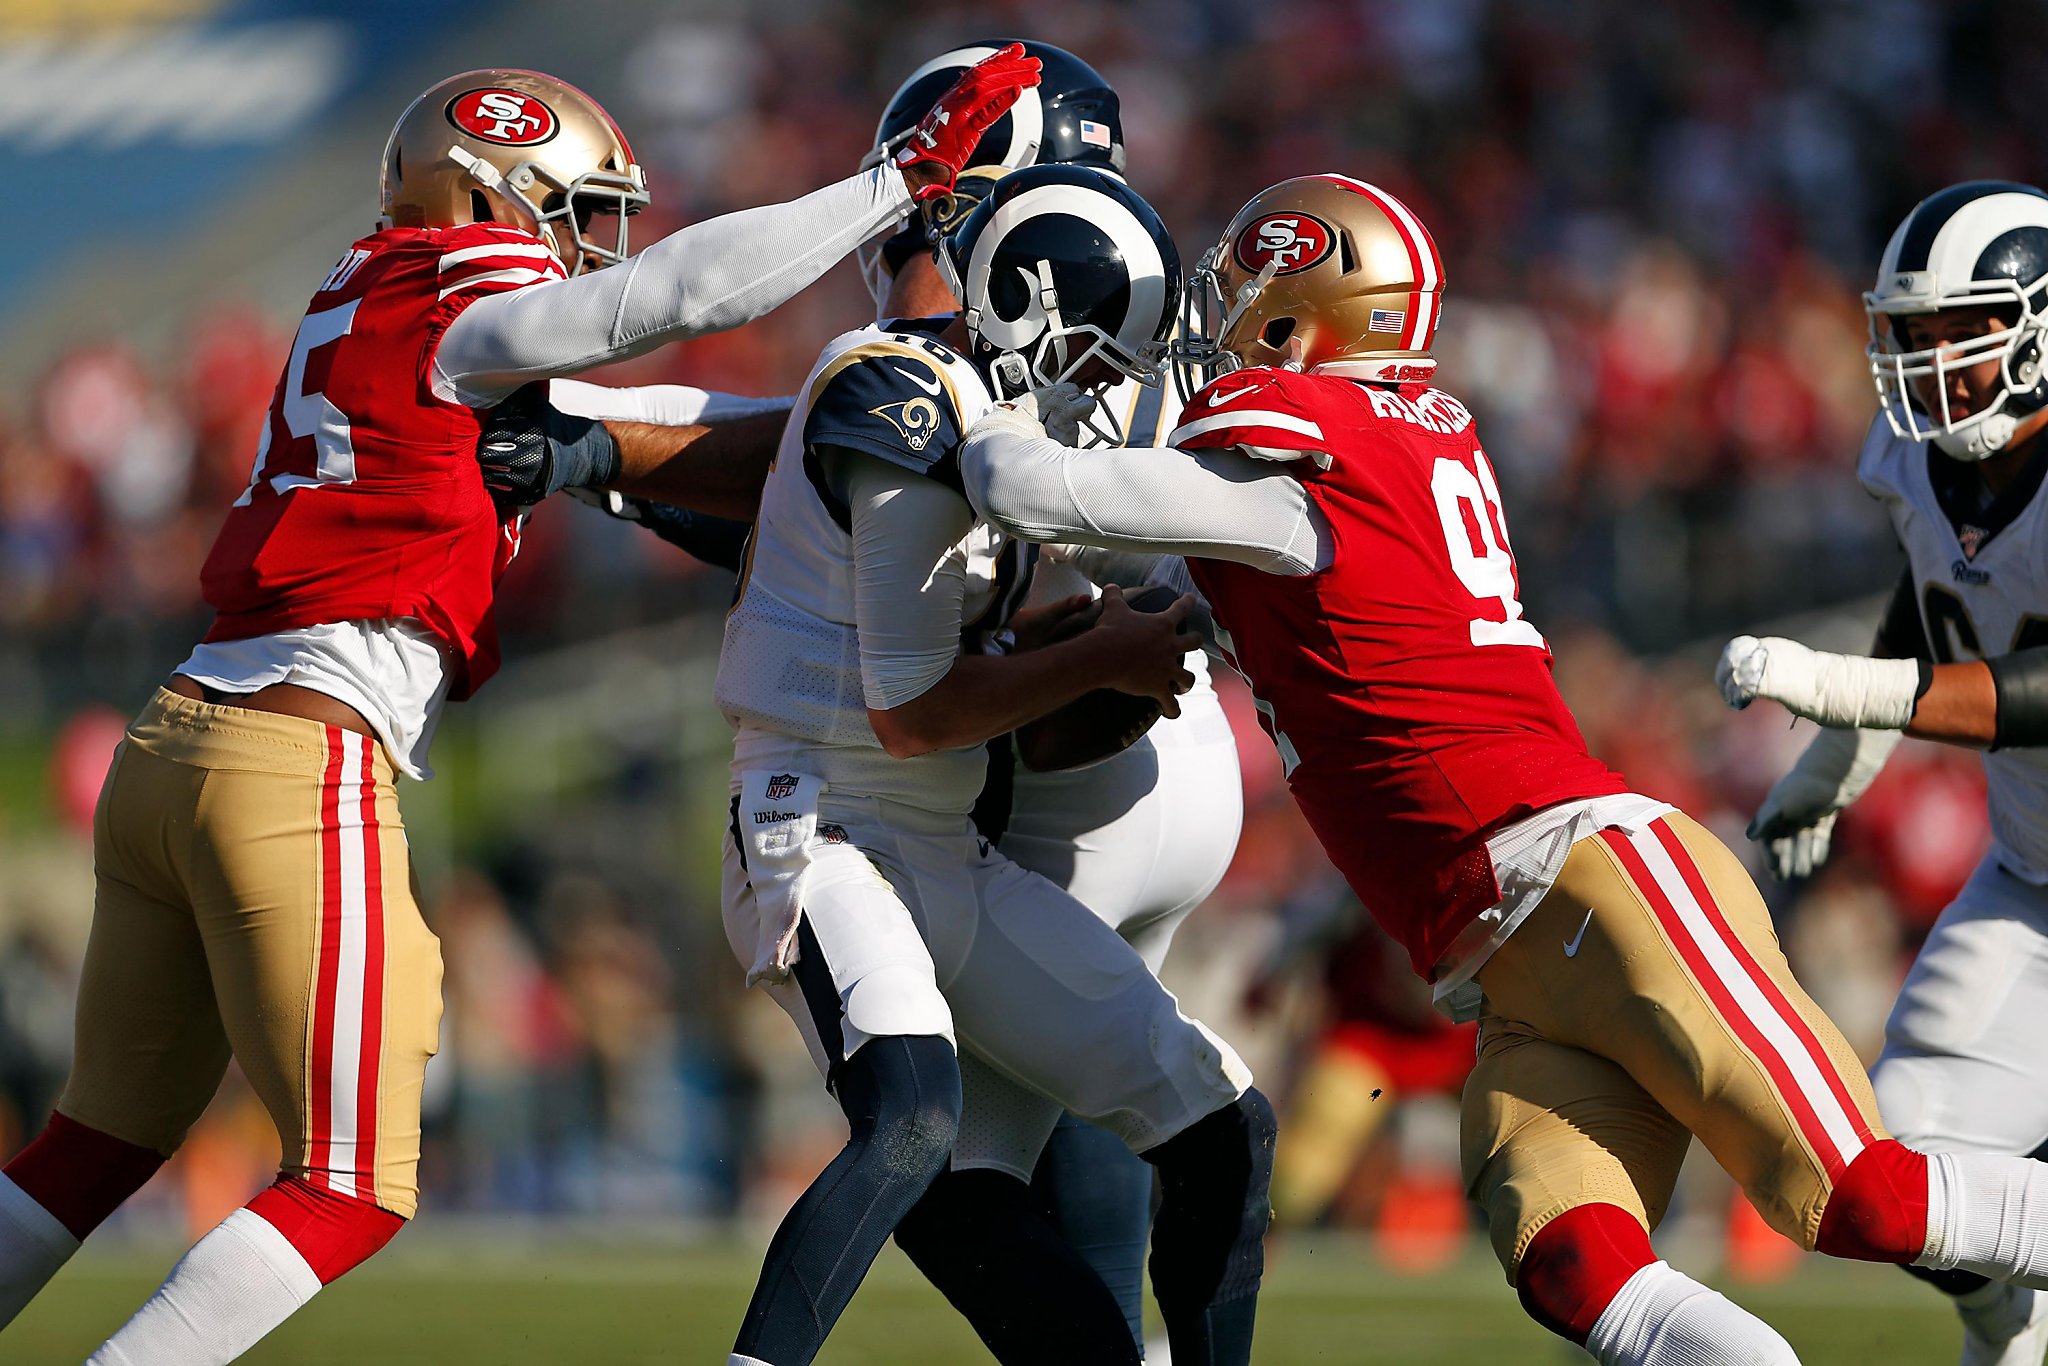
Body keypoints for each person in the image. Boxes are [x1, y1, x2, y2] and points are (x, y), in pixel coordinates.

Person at [0, 53, 1039, 1366]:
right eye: (568, 207)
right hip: (297, 752)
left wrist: (895, 412)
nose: (584, 243)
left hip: (182, 733)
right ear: (488, 195)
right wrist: (893, 184)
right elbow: (666, 301)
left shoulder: (365, 298)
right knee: (349, 1182)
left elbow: (644, 413)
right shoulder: (459, 290)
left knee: (94, 1141)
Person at [961, 171, 2048, 1366]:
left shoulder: (1306, 450)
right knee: (1567, 1260)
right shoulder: (1341, 463)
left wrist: (968, 401)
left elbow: (1035, 489)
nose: (1217, 329)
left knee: (1858, 1201)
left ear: (1300, 314)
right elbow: (1169, 591)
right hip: (1499, 958)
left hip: (1590, 883)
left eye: (1245, 299)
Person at [715, 163, 1273, 1366]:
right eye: (1097, 358)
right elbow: (911, 709)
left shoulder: (982, 412)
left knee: (1219, 1118)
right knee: (911, 1119)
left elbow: (985, 649)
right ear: (1026, 317)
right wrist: (1098, 660)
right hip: (820, 826)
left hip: (941, 843)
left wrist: (1113, 638)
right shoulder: (898, 397)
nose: (1109, 392)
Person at [1718, 180, 2048, 1366]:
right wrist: (1834, 761)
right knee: (1889, 1164)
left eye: (1958, 330)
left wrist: (1850, 694)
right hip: (2030, 880)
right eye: (1910, 333)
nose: (1925, 362)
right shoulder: (1917, 464)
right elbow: (1934, 612)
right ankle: (2009, 1316)